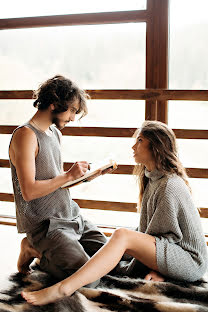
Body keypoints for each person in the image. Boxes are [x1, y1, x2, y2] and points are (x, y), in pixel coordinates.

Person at [21, 120, 208, 306]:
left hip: (189, 260)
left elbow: (169, 237)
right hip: (171, 251)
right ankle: (36, 249)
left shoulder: (170, 185)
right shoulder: (152, 178)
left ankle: (63, 288)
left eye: (140, 140)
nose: (133, 146)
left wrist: (163, 270)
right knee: (109, 252)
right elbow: (149, 233)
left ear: (156, 146)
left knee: (121, 237)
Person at [9, 75, 108, 283]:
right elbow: (29, 191)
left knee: (110, 259)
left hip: (69, 215)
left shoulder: (54, 133)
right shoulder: (25, 135)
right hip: (45, 226)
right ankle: (32, 248)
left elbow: (56, 182)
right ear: (54, 105)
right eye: (72, 110)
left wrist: (87, 178)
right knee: (89, 279)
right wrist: (68, 175)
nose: (73, 118)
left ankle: (58, 252)